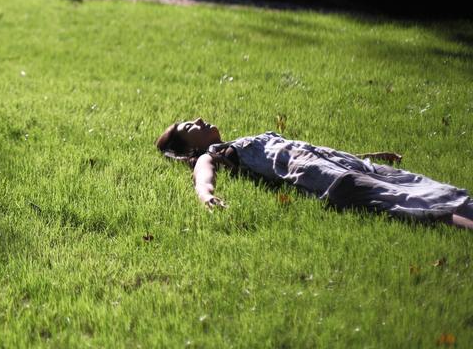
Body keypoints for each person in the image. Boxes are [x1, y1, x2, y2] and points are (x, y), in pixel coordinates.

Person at [155, 118, 473, 230]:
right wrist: (206, 195)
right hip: (327, 178)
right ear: (187, 149)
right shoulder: (212, 155)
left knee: (428, 187)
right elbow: (203, 175)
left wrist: (366, 156)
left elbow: (313, 149)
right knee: (412, 203)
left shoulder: (237, 142)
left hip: (348, 165)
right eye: (188, 127)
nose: (198, 119)